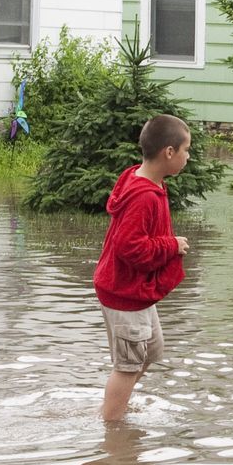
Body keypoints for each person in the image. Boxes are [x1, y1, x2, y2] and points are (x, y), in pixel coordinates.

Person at [94, 114, 193, 423]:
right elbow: (129, 247)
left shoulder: (141, 177)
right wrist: (171, 245)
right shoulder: (143, 196)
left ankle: (117, 404)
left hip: (136, 291)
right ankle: (111, 426)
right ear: (169, 152)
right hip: (125, 292)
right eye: (186, 150)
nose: (188, 157)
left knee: (149, 351)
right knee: (127, 365)